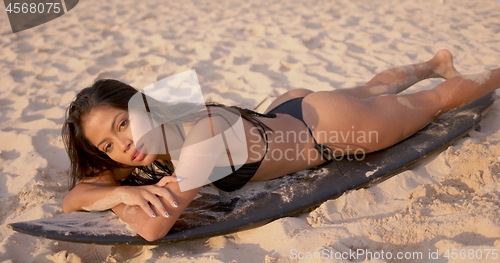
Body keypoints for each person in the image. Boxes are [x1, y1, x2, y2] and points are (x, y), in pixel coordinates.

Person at [61, 50, 500, 241]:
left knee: (435, 102)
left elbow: (153, 227)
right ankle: (434, 62)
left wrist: (117, 197)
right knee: (371, 88)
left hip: (330, 130)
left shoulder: (198, 134)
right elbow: (76, 196)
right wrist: (120, 190)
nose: (125, 145)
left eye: (124, 124)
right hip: (289, 109)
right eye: (108, 145)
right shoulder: (155, 133)